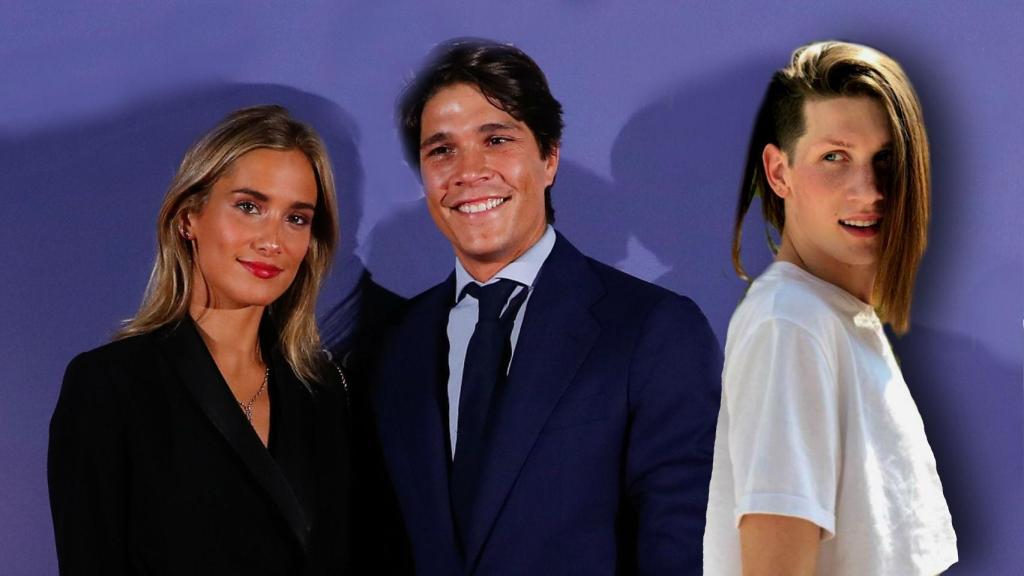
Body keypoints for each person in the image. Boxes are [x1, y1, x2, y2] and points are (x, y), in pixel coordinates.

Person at [371, 38, 722, 575]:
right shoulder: (396, 344)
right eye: (442, 150)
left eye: (496, 139)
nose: (470, 170)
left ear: (549, 156)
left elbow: (681, 548)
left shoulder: (652, 330)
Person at [48, 105, 351, 575]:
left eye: (296, 218)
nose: (273, 240)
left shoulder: (326, 394)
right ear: (189, 217)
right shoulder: (110, 386)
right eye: (249, 207)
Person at [704, 41, 957, 575]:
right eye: (834, 158)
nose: (868, 192)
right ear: (779, 173)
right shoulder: (790, 326)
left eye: (885, 160)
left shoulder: (830, 320)